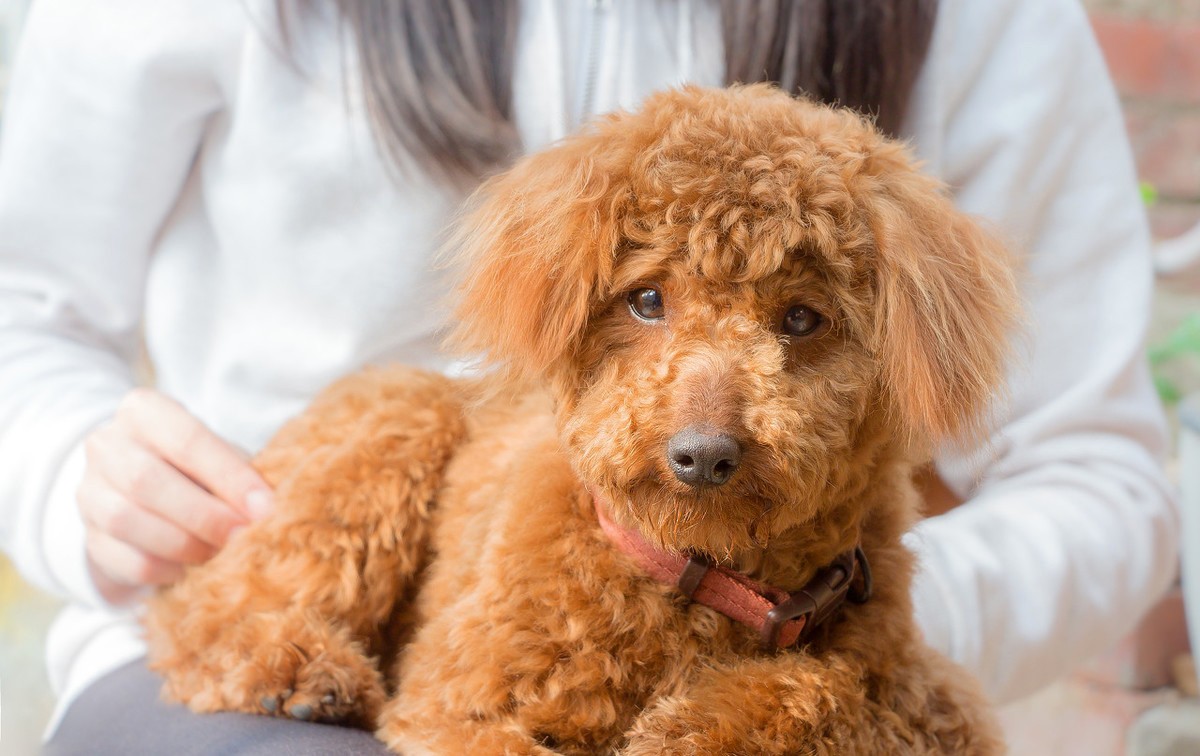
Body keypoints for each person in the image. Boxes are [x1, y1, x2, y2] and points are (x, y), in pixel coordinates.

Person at [0, 0, 1178, 751]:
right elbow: (24, 303)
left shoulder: (984, 23)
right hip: (263, 632)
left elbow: (1095, 468)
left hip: (813, 621)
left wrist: (833, 641)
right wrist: (72, 477)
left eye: (804, 317)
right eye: (648, 302)